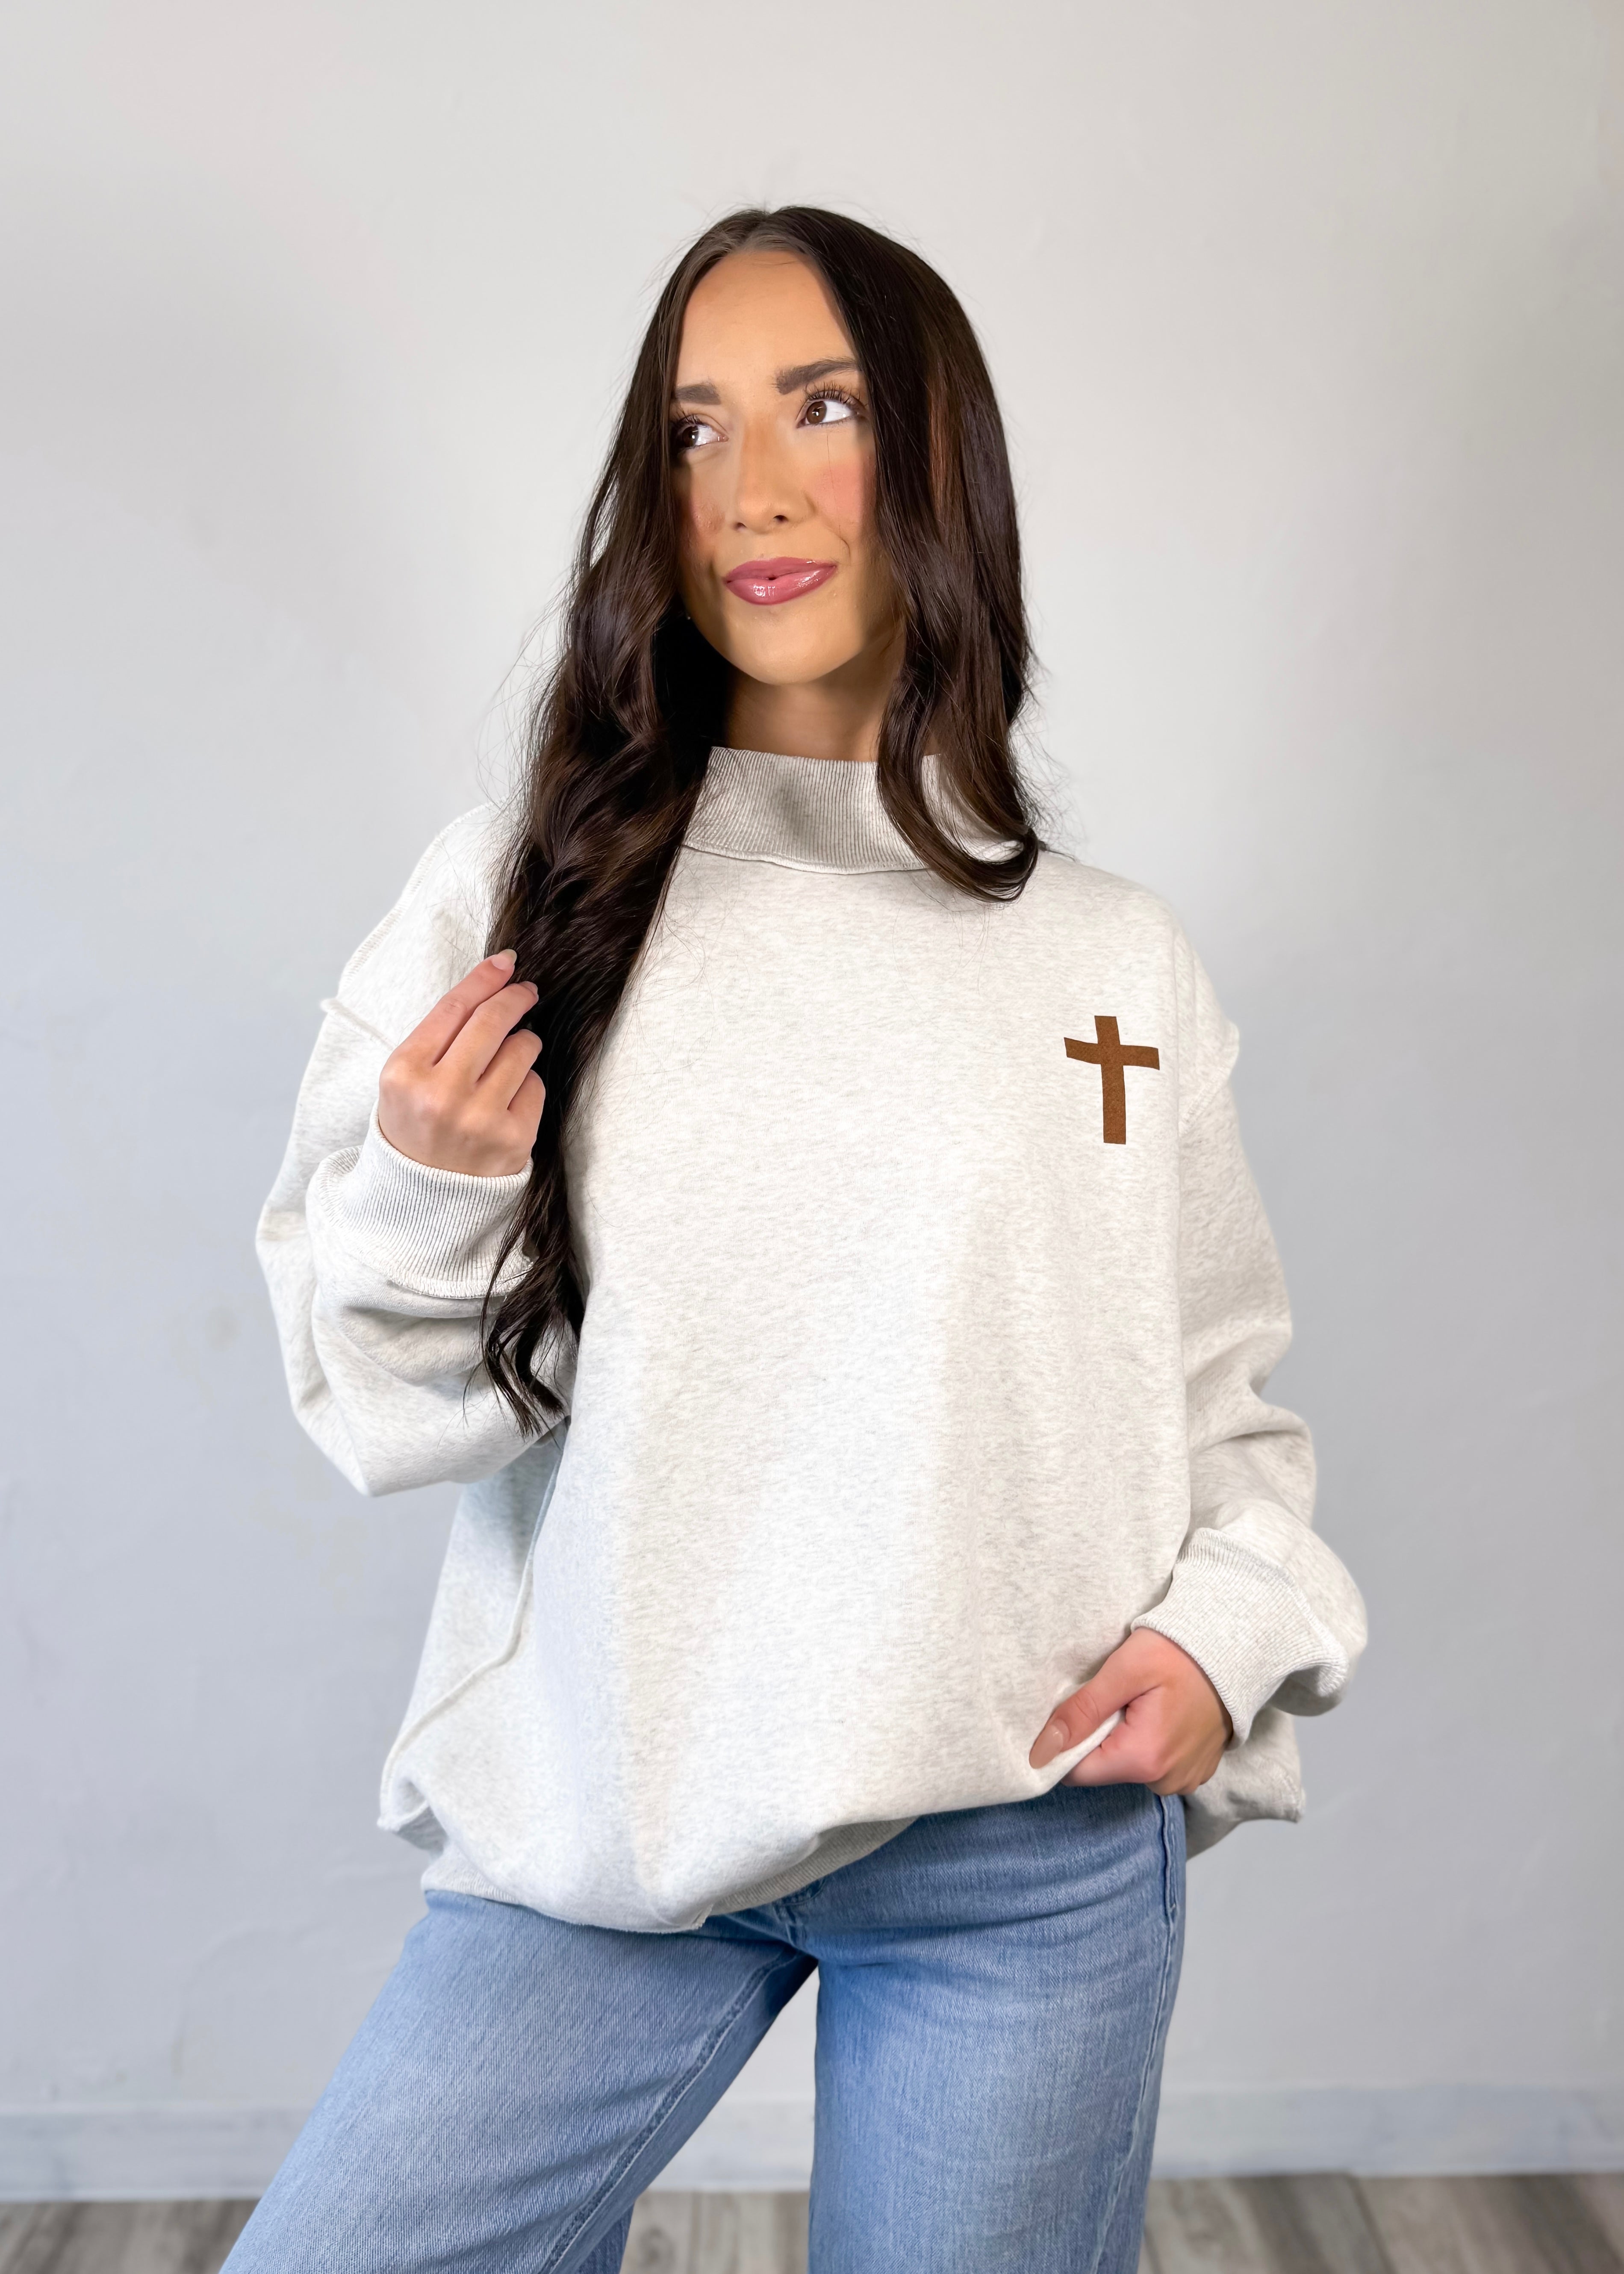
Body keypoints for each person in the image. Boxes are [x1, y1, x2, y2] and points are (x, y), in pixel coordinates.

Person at [232, 206, 1368, 2274]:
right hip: (614, 1812)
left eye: (819, 409)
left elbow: (1215, 1404)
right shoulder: (523, 895)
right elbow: (391, 1409)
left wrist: (1225, 1639)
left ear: (935, 457)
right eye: (690, 431)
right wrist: (432, 1183)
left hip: (1018, 1842)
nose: (747, 488)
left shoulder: (1109, 964)